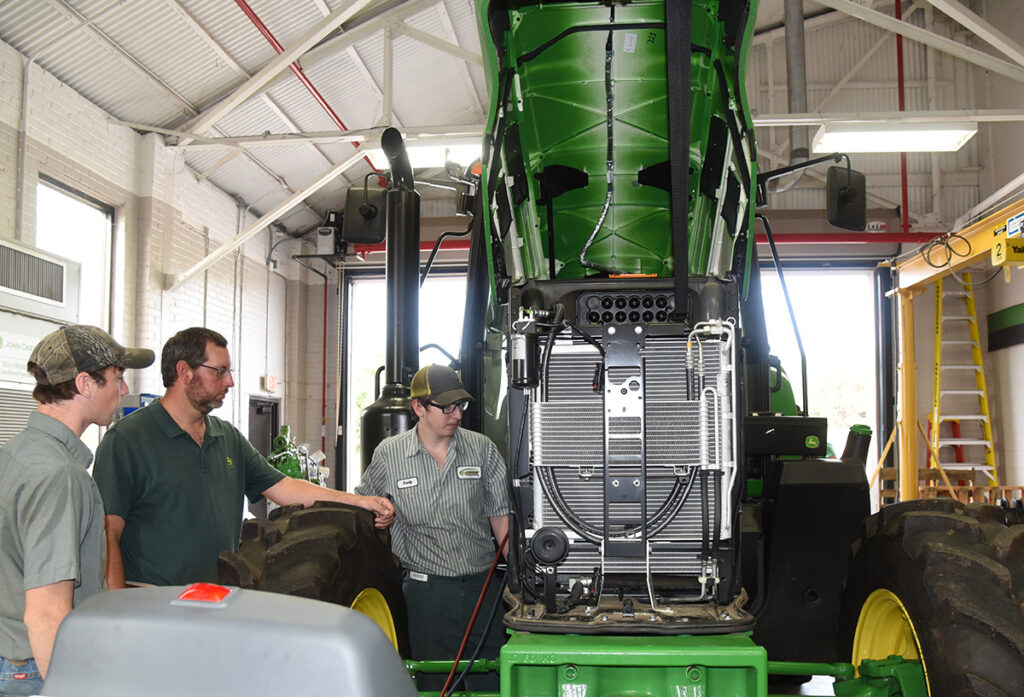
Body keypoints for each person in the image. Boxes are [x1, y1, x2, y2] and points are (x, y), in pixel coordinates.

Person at [92, 327, 394, 588]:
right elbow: (107, 536)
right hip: (153, 605)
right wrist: (117, 614)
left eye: (229, 371)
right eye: (219, 371)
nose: (230, 382)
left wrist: (358, 501)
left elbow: (285, 487)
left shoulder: (227, 437)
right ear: (184, 372)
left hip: (219, 598)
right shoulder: (129, 439)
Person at [0, 325, 154, 693]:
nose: (125, 389)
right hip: (38, 670)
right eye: (118, 377)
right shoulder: (58, 475)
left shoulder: (15, 455)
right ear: (85, 384)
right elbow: (47, 612)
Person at [356, 364, 510, 689]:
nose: (456, 414)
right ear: (418, 408)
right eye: (446, 407)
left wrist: (523, 584)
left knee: (493, 680)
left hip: (484, 592)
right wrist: (379, 515)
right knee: (435, 683)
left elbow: (500, 517)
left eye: (461, 405)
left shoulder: (482, 450)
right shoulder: (389, 455)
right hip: (427, 596)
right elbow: (364, 506)